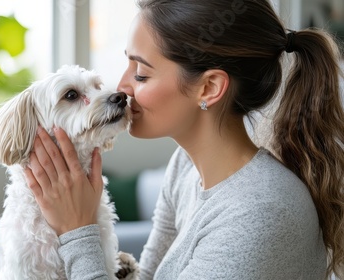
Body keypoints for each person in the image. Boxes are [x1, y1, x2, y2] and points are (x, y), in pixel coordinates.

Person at [24, 0, 344, 279]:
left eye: (141, 74)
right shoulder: (186, 167)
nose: (120, 87)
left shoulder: (259, 216)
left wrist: (78, 231)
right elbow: (146, 276)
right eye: (128, 63)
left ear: (208, 88)